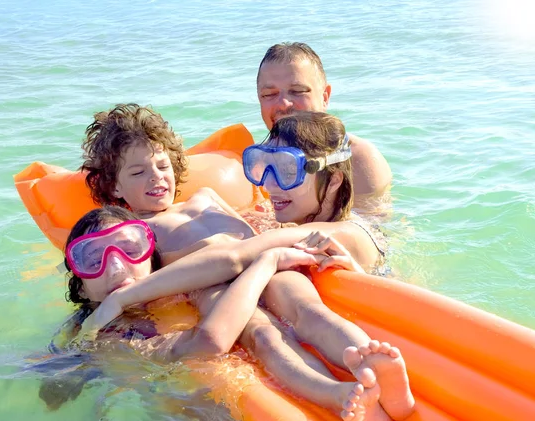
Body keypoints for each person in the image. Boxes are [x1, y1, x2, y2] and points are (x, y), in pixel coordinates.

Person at [78, 104, 414, 420]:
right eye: (138, 172)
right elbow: (137, 274)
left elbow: (255, 228)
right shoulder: (138, 231)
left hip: (266, 262)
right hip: (215, 287)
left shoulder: (206, 196)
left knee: (309, 312)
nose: (156, 177)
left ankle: (369, 361)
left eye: (162, 166)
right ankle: (338, 394)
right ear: (114, 186)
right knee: (266, 337)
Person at [63, 205, 389, 419]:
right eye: (92, 260)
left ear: (153, 259)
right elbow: (209, 340)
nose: (117, 267)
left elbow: (229, 258)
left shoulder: (172, 292)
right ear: (79, 289)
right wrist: (268, 261)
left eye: (130, 247)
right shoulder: (108, 335)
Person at [256, 42, 392, 211]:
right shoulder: (254, 163)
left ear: (325, 97)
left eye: (298, 91)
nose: (283, 103)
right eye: (269, 94)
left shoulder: (357, 159)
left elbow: (373, 230)